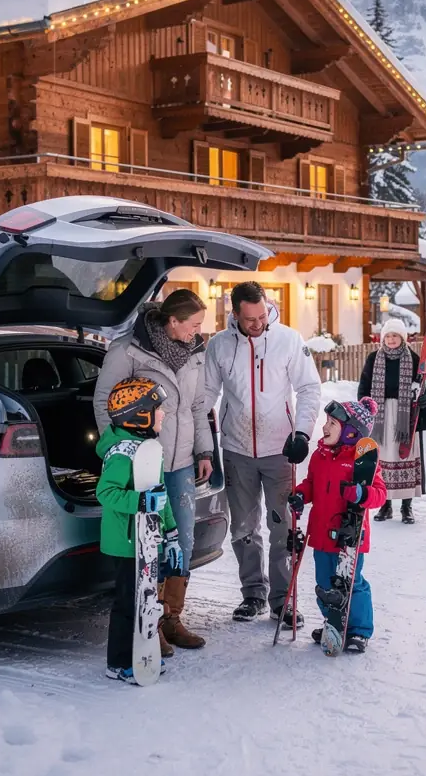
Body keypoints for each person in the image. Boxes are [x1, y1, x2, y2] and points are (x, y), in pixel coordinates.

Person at [94, 289, 212, 650]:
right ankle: (149, 622)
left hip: (181, 463)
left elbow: (197, 406)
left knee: (183, 542)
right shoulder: (128, 350)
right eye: (193, 324)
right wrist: (119, 447)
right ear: (172, 321)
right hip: (144, 463)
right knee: (150, 545)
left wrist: (204, 449)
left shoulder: (194, 354)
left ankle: (171, 618)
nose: (197, 331)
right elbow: (105, 401)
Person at [205, 281, 322, 626]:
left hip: (280, 449)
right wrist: (206, 445)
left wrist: (301, 432)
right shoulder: (220, 346)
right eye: (249, 318)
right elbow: (206, 397)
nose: (257, 323)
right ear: (235, 313)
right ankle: (253, 594)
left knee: (283, 527)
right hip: (237, 449)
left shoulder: (288, 340)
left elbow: (309, 388)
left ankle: (283, 601)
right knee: (243, 527)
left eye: (261, 316)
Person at [96, 377, 184, 683]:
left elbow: (161, 498)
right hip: (125, 542)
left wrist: (171, 534)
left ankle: (139, 653)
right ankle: (118, 663)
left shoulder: (149, 449)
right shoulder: (122, 453)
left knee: (146, 601)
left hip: (147, 541)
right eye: (158, 409)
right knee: (127, 603)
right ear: (139, 415)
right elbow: (106, 493)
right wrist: (140, 500)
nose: (163, 414)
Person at [288, 398, 387, 653]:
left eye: (332, 423)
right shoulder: (320, 456)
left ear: (351, 431)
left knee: (352, 584)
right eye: (327, 422)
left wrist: (361, 494)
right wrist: (300, 495)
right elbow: (311, 483)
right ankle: (334, 622)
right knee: (324, 583)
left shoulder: (360, 460)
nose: (325, 427)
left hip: (349, 538)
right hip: (321, 535)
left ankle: (358, 630)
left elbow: (379, 494)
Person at [356, 317, 426, 525]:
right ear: (383, 338)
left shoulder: (412, 357)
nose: (391, 339)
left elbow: (421, 383)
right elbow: (364, 387)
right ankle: (385, 505)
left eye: (395, 336)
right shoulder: (374, 358)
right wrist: (365, 406)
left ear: (402, 338)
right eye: (388, 336)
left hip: (405, 416)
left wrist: (425, 397)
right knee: (382, 461)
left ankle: (406, 506)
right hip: (381, 417)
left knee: (404, 457)